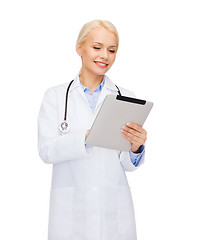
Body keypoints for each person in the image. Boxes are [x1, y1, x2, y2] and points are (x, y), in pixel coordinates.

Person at [38, 19, 147, 240]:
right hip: (71, 214)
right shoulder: (56, 97)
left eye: (112, 50)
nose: (104, 55)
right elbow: (46, 151)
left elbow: (126, 163)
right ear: (79, 48)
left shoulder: (126, 97)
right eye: (97, 47)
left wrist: (136, 147)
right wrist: (86, 138)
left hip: (113, 212)